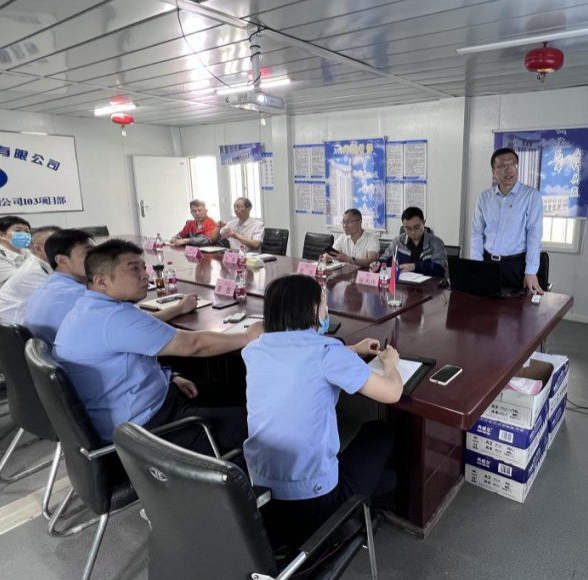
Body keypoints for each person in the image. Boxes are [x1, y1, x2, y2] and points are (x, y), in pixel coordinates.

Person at [54, 239, 263, 453]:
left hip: (134, 409)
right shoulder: (113, 317)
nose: (145, 275)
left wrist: (169, 377)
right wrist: (247, 337)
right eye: (134, 269)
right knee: (263, 426)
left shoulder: (89, 308)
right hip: (147, 428)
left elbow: (134, 341)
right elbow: (194, 345)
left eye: (143, 267)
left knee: (229, 388)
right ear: (102, 281)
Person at [242, 274, 402, 547]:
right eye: (323, 303)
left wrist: (352, 349)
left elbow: (300, 354)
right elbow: (392, 392)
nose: (326, 310)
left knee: (381, 477)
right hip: (314, 505)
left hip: (260, 498)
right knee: (380, 435)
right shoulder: (327, 353)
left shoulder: (255, 349)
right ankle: (346, 528)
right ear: (312, 309)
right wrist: (391, 363)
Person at [471, 148, 544, 294]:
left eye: (513, 165)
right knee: (485, 304)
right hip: (488, 262)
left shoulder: (531, 196)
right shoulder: (484, 198)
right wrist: (477, 265)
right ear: (493, 171)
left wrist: (531, 271)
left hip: (516, 266)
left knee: (517, 307)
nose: (508, 170)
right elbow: (477, 233)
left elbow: (534, 235)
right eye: (503, 166)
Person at [25, 229, 94, 345]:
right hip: (61, 355)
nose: (98, 259)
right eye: (89, 254)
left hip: (42, 353)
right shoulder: (80, 295)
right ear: (62, 260)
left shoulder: (46, 287)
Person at [0, 226, 61, 325]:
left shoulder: (42, 263)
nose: (66, 249)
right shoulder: (33, 272)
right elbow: (57, 303)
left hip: (23, 319)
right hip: (14, 326)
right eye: (58, 245)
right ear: (38, 249)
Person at [376, 207, 448, 278]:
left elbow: (440, 269)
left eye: (416, 227)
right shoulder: (398, 242)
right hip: (403, 283)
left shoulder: (436, 243)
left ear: (424, 223)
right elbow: (384, 260)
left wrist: (414, 267)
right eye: (408, 228)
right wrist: (377, 264)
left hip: (429, 284)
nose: (413, 232)